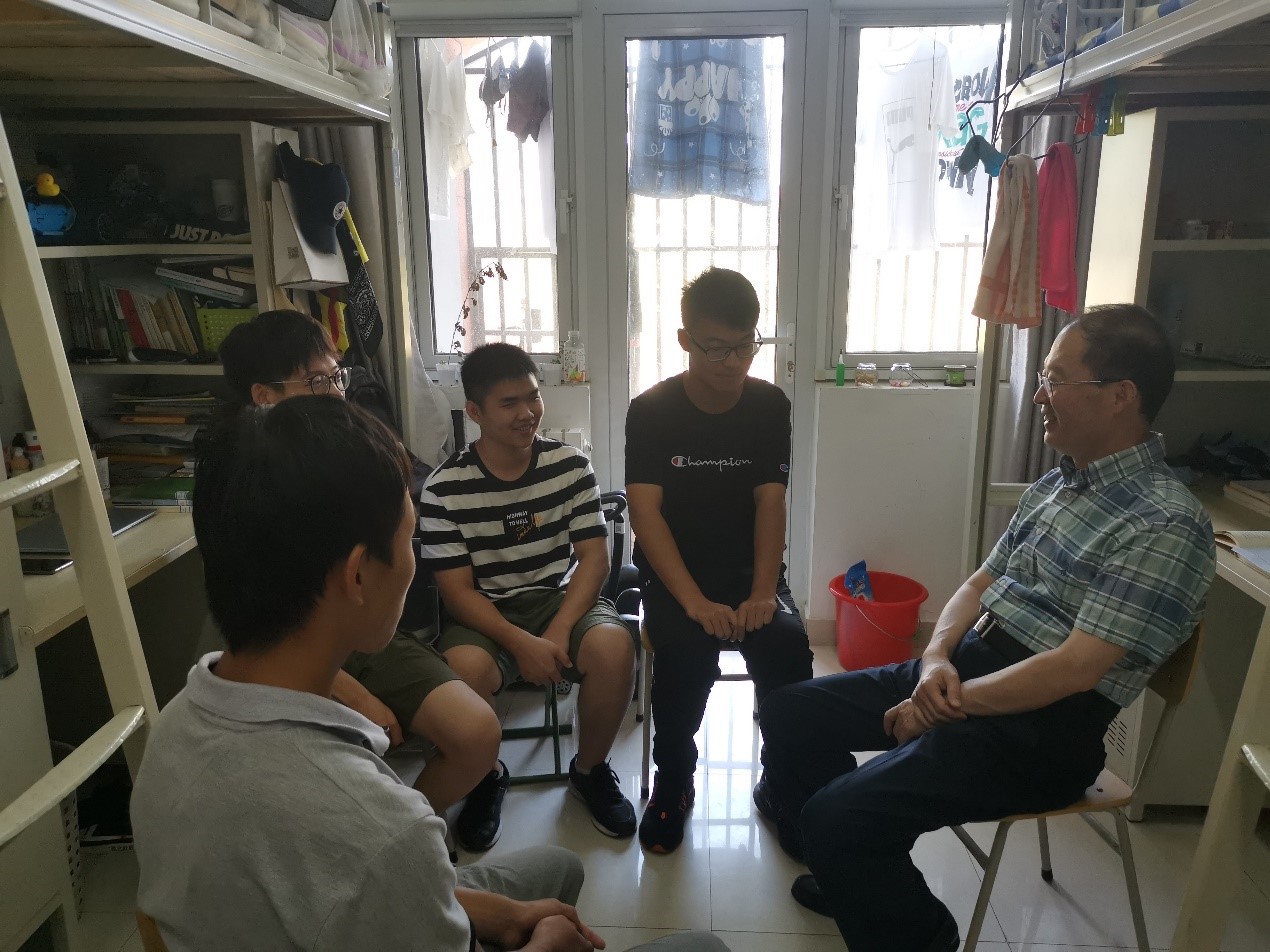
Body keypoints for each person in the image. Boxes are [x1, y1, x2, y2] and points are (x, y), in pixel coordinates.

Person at [132, 397, 731, 952]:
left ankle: (579, 784)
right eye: (408, 537)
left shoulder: (172, 727)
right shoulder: (385, 832)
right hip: (386, 886)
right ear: (358, 576)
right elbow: (380, 861)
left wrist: (489, 912)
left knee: (559, 866)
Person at [757, 305, 1217, 952]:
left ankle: (917, 929)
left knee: (839, 818)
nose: (1039, 395)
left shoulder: (1165, 524)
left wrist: (944, 705)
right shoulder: (1057, 486)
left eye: (1056, 379)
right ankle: (852, 873)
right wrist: (936, 658)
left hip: (1045, 731)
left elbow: (1076, 668)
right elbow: (978, 586)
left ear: (1121, 396)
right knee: (789, 712)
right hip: (970, 669)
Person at [218, 309, 501, 818]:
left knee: (476, 732)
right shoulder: (243, 487)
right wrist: (347, 691)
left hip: (366, 635)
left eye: (336, 377)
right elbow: (256, 632)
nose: (336, 393)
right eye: (317, 382)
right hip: (296, 647)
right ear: (263, 396)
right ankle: (386, 831)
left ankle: (407, 825)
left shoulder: (350, 454)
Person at [625, 267, 814, 854]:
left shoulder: (769, 404)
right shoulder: (650, 410)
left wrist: (762, 591)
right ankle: (674, 780)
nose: (732, 362)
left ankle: (782, 782)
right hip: (675, 575)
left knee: (786, 646)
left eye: (744, 346)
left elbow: (770, 501)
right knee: (685, 652)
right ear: (684, 340)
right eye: (715, 347)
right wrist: (694, 602)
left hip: (748, 571)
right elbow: (645, 514)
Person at [419, 343, 639, 845]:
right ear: (475, 412)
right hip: (485, 612)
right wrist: (522, 644)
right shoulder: (444, 488)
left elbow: (594, 559)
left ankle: (589, 771)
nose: (527, 413)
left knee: (613, 647)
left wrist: (557, 632)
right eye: (509, 403)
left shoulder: (570, 466)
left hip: (560, 600)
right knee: (463, 670)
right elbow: (457, 593)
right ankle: (484, 776)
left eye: (533, 397)